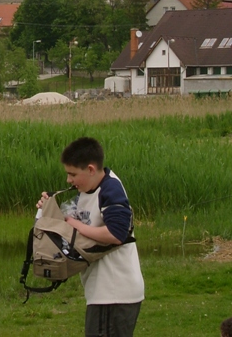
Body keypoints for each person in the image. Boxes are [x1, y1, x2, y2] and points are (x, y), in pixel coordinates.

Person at [37, 136, 144, 337]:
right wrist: (49, 209)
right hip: (103, 294)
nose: (68, 180)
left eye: (72, 174)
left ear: (91, 169)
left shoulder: (110, 189)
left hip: (114, 293)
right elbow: (71, 228)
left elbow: (117, 233)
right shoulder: (87, 191)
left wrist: (75, 224)